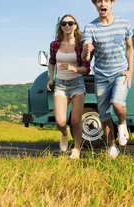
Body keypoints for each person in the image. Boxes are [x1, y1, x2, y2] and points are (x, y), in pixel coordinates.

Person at [82, 0, 134, 159]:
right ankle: (112, 146)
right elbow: (86, 55)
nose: (102, 4)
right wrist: (87, 50)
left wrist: (131, 70)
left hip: (120, 72)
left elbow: (130, 48)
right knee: (103, 115)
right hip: (101, 76)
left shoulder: (124, 23)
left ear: (112, 3)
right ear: (96, 5)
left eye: (105, 1)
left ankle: (122, 123)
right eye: (99, 1)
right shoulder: (90, 27)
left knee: (118, 104)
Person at [47, 14, 90, 159]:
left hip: (77, 84)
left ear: (75, 26)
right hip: (60, 84)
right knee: (60, 121)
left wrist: (72, 68)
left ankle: (77, 148)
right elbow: (51, 61)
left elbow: (87, 69)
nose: (67, 26)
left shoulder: (80, 45)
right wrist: (51, 78)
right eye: (64, 23)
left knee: (76, 120)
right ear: (61, 26)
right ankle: (64, 134)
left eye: (70, 23)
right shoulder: (54, 45)